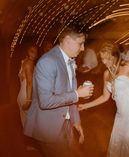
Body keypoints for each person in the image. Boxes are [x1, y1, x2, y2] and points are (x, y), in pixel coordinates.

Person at [24, 25, 94, 157]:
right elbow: (45, 102)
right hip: (49, 127)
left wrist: (76, 120)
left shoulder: (69, 60)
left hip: (65, 122)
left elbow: (70, 92)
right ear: (67, 40)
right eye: (81, 43)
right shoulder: (48, 62)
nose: (83, 48)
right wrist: (78, 94)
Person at [17, 45, 38, 128]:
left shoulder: (23, 62)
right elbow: (29, 83)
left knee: (28, 126)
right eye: (31, 51)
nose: (34, 54)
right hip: (27, 96)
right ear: (27, 51)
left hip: (22, 95)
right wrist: (29, 100)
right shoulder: (29, 63)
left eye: (35, 52)